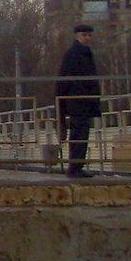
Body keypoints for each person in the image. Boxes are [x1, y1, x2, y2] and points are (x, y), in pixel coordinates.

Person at [55, 23, 102, 177]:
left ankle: (76, 166)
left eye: (89, 35)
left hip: (82, 101)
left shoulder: (83, 53)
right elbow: (65, 78)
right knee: (79, 134)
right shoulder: (75, 54)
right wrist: (61, 99)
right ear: (76, 36)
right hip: (78, 101)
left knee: (81, 133)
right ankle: (75, 168)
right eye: (84, 35)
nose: (87, 38)